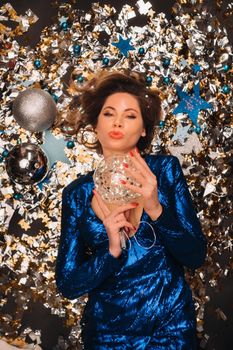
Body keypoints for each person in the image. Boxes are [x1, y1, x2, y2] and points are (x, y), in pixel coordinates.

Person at [55, 70, 207, 350]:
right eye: (109, 114)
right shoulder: (77, 194)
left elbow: (195, 255)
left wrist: (156, 208)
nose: (118, 123)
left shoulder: (164, 171)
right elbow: (68, 284)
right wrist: (111, 251)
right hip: (107, 336)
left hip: (170, 331)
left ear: (144, 129)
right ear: (96, 125)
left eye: (130, 116)